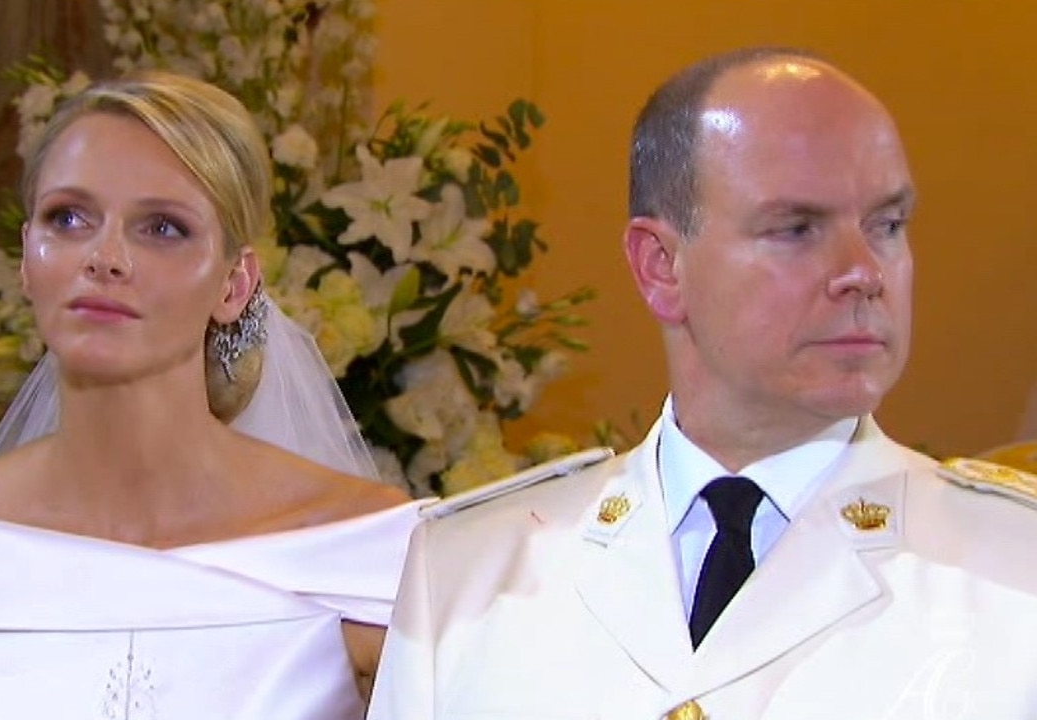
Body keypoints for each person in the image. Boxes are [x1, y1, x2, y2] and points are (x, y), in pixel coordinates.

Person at [367, 47, 1037, 719]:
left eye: (887, 225)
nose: (864, 271)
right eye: (797, 229)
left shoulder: (1016, 571)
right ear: (661, 266)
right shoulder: (468, 573)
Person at [0, 71, 419, 720]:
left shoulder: (363, 551)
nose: (106, 256)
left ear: (235, 285)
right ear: (28, 262)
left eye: (163, 227)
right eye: (68, 218)